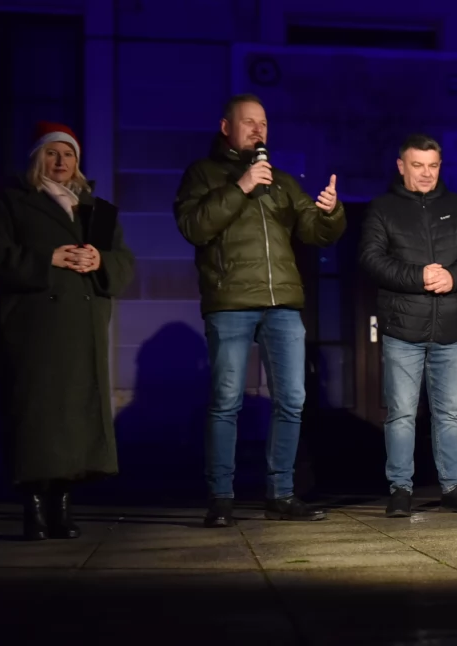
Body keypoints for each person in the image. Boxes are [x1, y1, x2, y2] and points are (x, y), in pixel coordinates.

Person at [173, 94, 347, 527]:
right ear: (225, 127)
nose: (258, 130)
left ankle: (282, 493)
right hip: (230, 301)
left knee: (291, 399)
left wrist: (330, 212)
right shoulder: (203, 174)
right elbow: (194, 226)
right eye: (248, 122)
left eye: (263, 123)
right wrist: (241, 186)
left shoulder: (282, 180)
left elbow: (313, 230)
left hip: (283, 303)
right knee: (226, 402)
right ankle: (221, 497)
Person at [0, 121, 136, 540]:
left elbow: (124, 261)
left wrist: (99, 261)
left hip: (81, 329)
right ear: (37, 158)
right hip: (35, 329)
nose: (61, 161)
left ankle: (61, 507)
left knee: (73, 419)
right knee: (37, 419)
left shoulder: (94, 208)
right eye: (52, 153)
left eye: (68, 154)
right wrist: (48, 257)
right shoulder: (14, 202)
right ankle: (33, 509)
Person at [358, 134, 457, 518]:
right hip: (403, 327)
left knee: (448, 412)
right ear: (401, 166)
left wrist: (453, 277)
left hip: (450, 326)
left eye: (433, 166)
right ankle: (400, 489)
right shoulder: (383, 208)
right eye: (418, 165)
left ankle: (453, 487)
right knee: (401, 412)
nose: (426, 173)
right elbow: (371, 259)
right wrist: (417, 275)